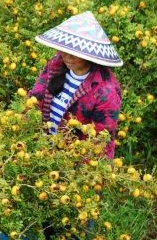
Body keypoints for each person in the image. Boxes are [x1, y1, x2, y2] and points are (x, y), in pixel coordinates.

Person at [28, 10, 123, 159]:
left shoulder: (106, 91)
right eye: (65, 49)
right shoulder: (55, 65)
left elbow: (99, 142)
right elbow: (35, 99)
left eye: (76, 52)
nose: (67, 56)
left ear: (89, 54)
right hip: (46, 153)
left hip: (79, 166)